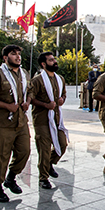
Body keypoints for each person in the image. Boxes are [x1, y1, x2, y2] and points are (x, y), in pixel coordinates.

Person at [0, 45, 32, 203]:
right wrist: (6, 106)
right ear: (5, 58)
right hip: (2, 123)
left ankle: (10, 177)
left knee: (24, 152)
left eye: (19, 54)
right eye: (13, 54)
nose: (18, 57)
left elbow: (30, 91)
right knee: (0, 155)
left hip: (20, 121)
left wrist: (27, 102)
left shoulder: (24, 74)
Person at [29, 52, 68, 189]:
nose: (55, 61)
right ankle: (43, 177)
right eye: (51, 60)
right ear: (43, 64)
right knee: (44, 149)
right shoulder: (37, 80)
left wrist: (62, 99)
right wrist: (46, 105)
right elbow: (31, 98)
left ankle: (49, 163)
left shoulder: (60, 79)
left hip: (57, 118)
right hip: (42, 120)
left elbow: (63, 94)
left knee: (62, 144)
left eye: (54, 59)